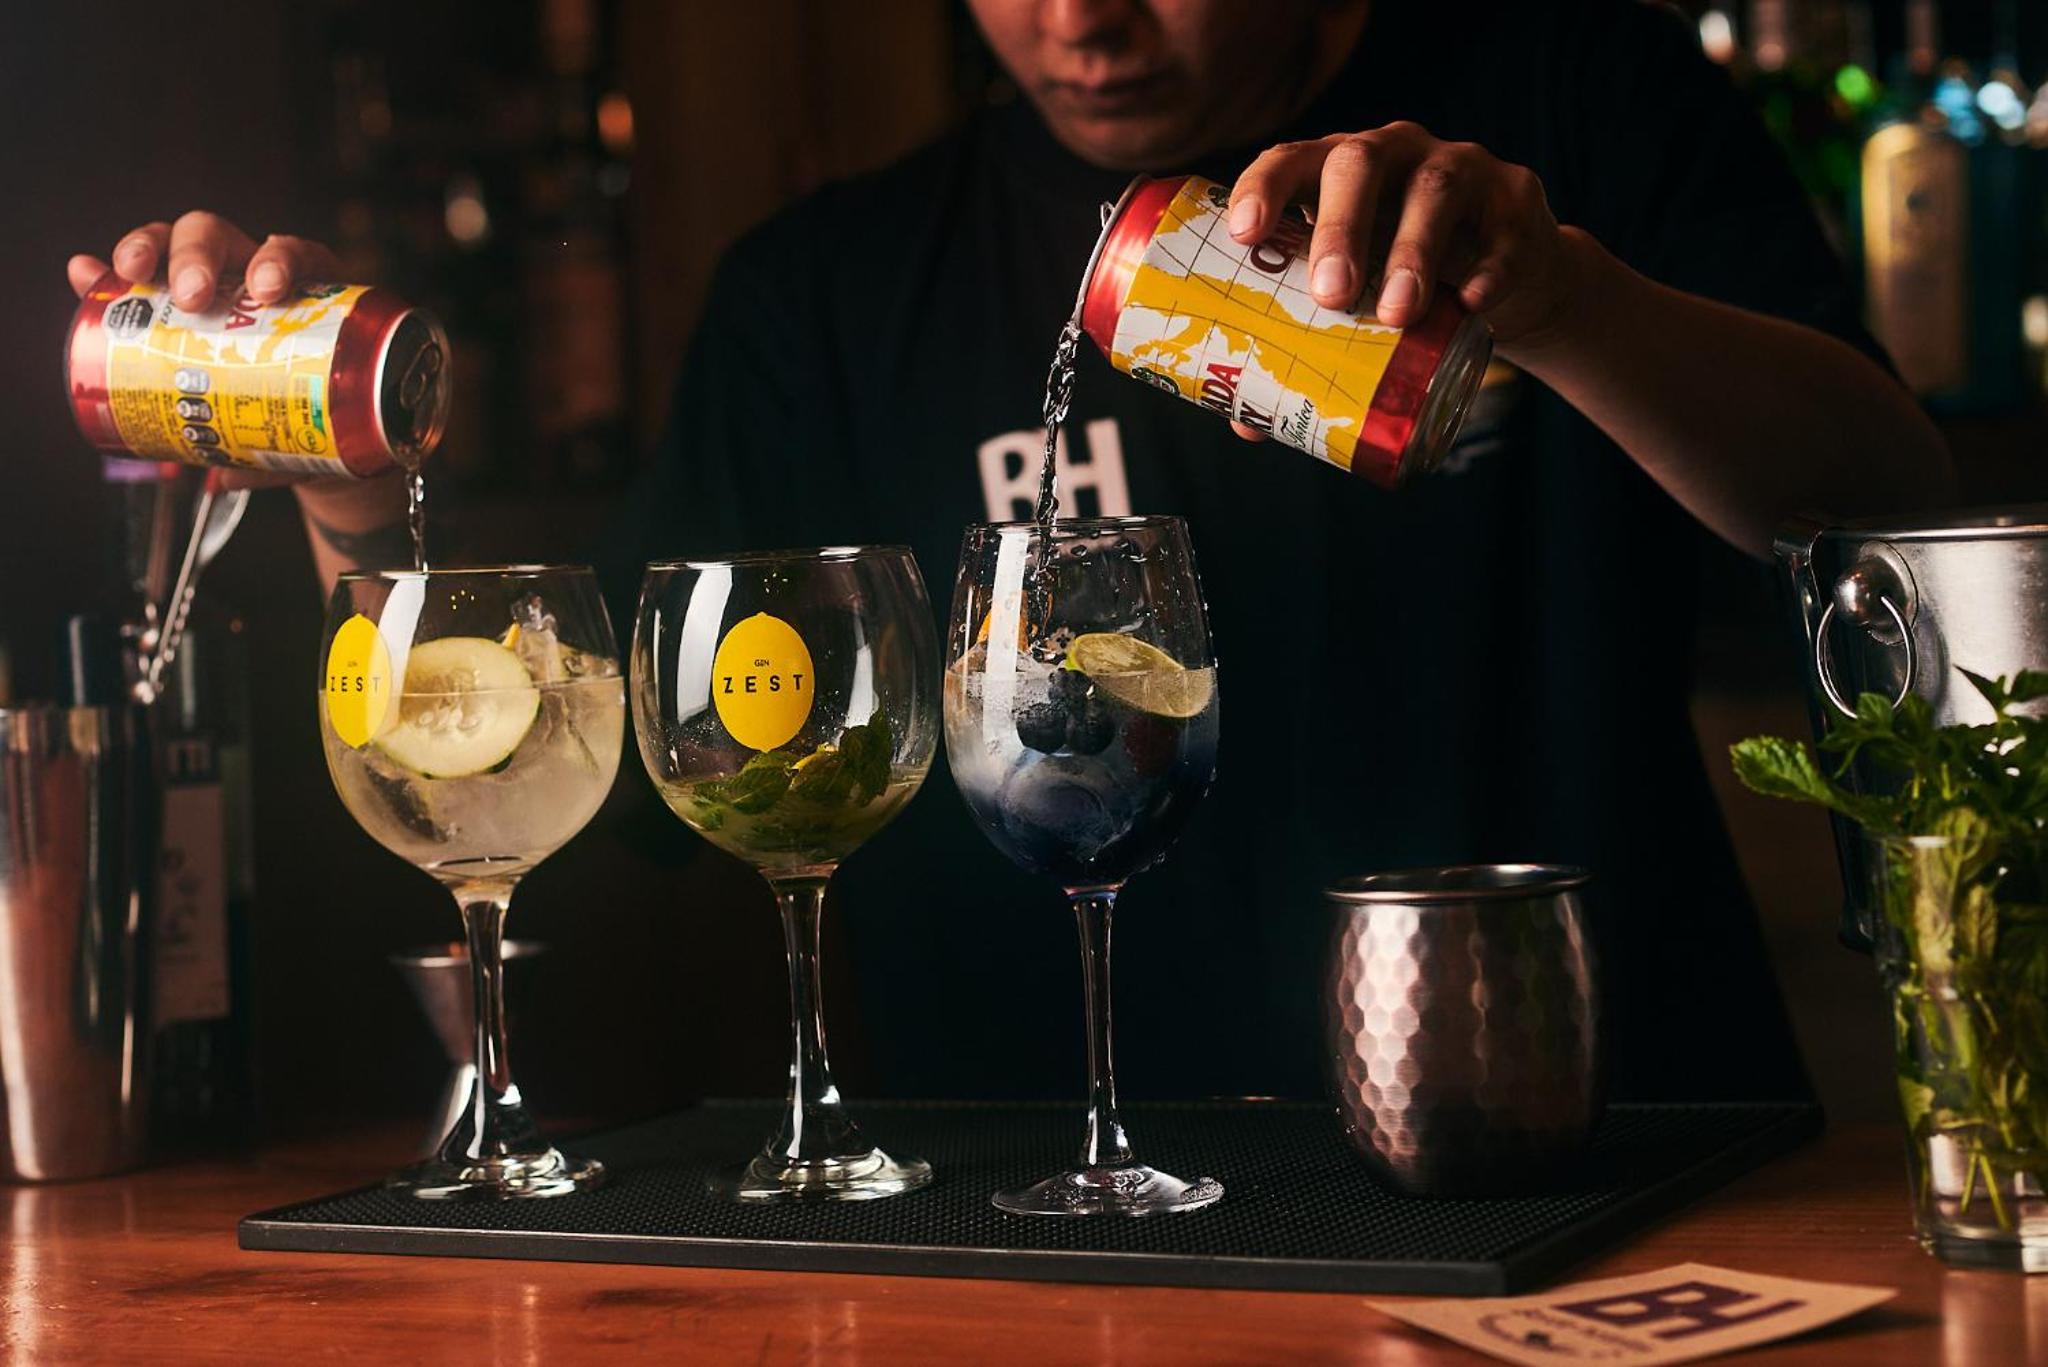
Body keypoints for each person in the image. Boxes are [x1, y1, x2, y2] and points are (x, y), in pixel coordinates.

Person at [71, 0, 1951, 1104]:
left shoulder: (1576, 104)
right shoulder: (827, 296)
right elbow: (593, 770)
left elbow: (1887, 515)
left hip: (1605, 1147)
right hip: (1041, 1204)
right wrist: (342, 478)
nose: (1083, 22)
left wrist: (1560, 301)